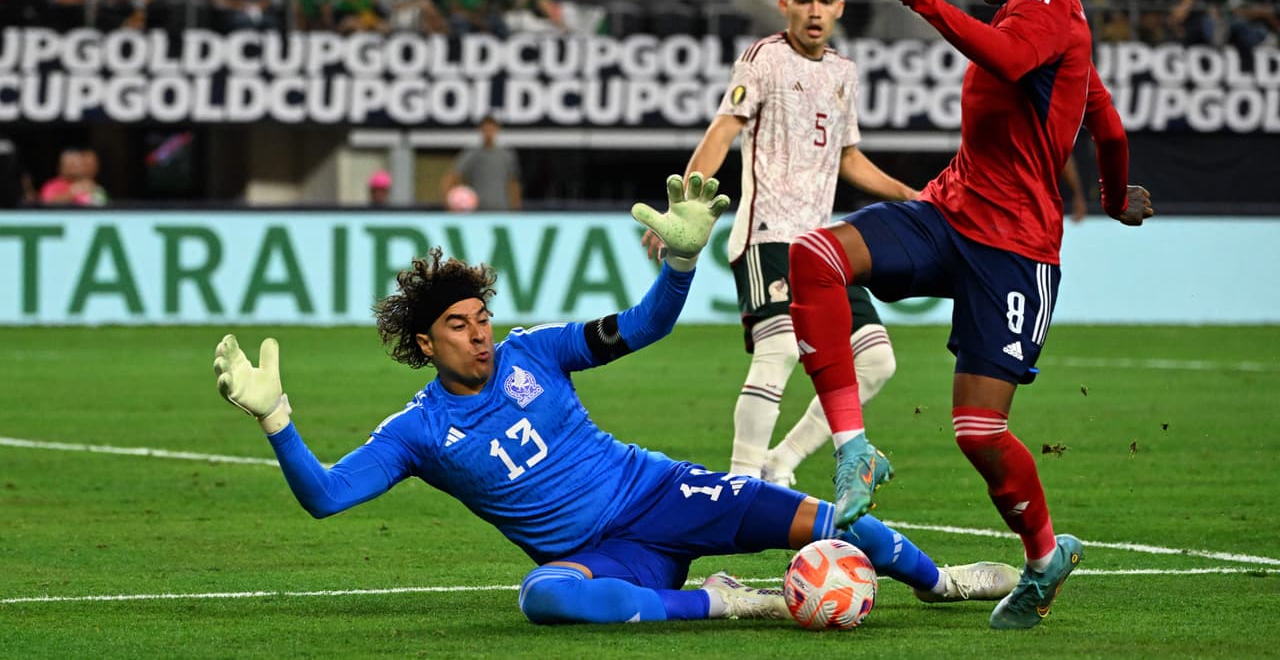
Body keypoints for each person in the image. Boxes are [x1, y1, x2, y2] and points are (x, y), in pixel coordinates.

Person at [214, 174, 1018, 626]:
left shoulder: (534, 348)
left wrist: (678, 265)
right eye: (458, 327)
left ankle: (940, 579)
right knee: (545, 596)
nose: (480, 335)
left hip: (659, 491)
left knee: (820, 515)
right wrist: (277, 420)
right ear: (425, 344)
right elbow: (324, 497)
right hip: (608, 555)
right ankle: (718, 602)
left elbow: (644, 326)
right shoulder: (418, 430)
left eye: (482, 317)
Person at [787, 0, 1154, 630]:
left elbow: (1014, 64)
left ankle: (1045, 554)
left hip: (1015, 251)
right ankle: (854, 447)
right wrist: (1118, 198)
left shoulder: (1052, 12)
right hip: (948, 213)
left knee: (978, 432)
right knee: (817, 256)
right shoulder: (1038, 18)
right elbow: (1108, 129)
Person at [649, 0, 918, 487]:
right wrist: (682, 208)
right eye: (803, 0)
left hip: (823, 246)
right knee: (780, 350)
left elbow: (849, 158)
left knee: (877, 362)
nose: (814, 12)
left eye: (824, 1)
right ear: (785, 6)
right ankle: (739, 482)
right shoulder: (762, 60)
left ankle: (781, 461)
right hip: (767, 234)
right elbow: (723, 131)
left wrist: (910, 194)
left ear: (839, 8)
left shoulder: (844, 72)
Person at [441, 115, 522, 211]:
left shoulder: (506, 155)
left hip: (502, 209)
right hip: (478, 210)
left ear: (496, 129)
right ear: (481, 130)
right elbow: (452, 176)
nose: (488, 132)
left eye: (491, 129)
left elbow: (513, 183)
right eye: (486, 129)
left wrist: (516, 206)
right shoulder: (472, 154)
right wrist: (449, 201)